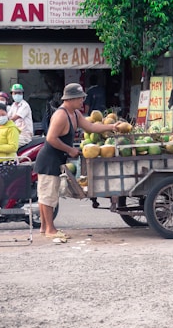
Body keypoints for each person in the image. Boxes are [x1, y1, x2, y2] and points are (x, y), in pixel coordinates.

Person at [35, 83, 120, 241]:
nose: (83, 101)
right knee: (48, 196)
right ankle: (50, 229)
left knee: (47, 195)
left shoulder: (74, 114)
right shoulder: (61, 115)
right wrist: (69, 150)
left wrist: (112, 126)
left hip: (56, 159)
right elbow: (50, 138)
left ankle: (43, 227)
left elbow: (91, 127)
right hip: (49, 159)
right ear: (71, 99)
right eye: (80, 98)